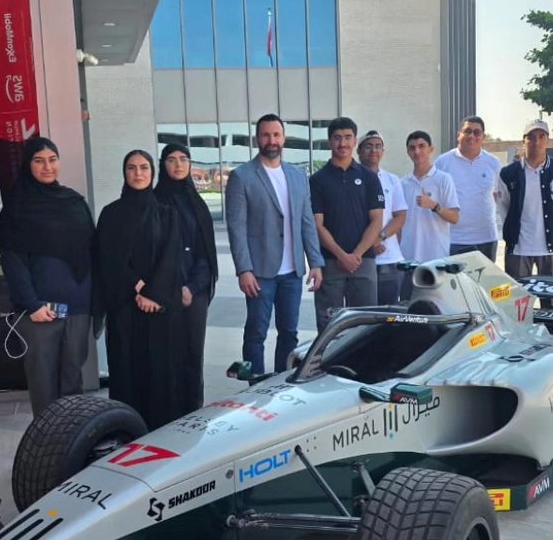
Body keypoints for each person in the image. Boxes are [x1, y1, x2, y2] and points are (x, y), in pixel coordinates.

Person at [0, 136, 97, 417]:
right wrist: (32, 304)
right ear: (28, 165)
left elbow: (92, 251)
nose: (47, 167)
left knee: (72, 379)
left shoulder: (74, 202)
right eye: (38, 161)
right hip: (40, 311)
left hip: (78, 306)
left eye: (52, 160)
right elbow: (13, 262)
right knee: (43, 382)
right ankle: (46, 447)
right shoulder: (16, 210)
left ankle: (72, 441)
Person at [224, 114, 324, 375]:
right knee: (256, 332)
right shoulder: (242, 176)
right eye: (266, 135)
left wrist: (315, 262)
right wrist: (243, 269)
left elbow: (307, 222)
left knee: (289, 332)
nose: (272, 140)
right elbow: (237, 227)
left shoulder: (297, 175)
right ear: (258, 139)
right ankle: (254, 386)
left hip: (291, 273)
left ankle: (281, 383)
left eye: (276, 135)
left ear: (284, 138)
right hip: (259, 273)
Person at [95, 150, 186, 429]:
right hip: (125, 308)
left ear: (152, 172)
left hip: (159, 310)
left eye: (144, 167)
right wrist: (139, 287)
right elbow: (108, 258)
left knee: (160, 372)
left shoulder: (167, 214)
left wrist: (154, 294)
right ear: (124, 173)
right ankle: (127, 431)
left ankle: (162, 434)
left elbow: (172, 258)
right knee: (127, 370)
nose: (138, 173)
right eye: (132, 168)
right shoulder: (111, 214)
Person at [153, 142, 217, 412]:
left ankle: (193, 411)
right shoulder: (153, 201)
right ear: (162, 165)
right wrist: (175, 286)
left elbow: (205, 252)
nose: (178, 165)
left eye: (184, 159)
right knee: (167, 356)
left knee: (193, 354)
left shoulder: (197, 203)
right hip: (164, 292)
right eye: (171, 159)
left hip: (195, 291)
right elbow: (153, 252)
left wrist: (191, 286)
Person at [310, 117, 385, 330]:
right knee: (328, 326)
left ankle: (363, 365)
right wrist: (342, 256)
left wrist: (357, 255)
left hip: (364, 262)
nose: (342, 143)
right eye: (337, 138)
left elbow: (376, 220)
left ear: (354, 141)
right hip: (330, 264)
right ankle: (327, 364)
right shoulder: (317, 181)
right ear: (329, 142)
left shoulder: (369, 178)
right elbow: (317, 225)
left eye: (347, 138)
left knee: (365, 325)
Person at [496, 120, 553, 317]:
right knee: (517, 304)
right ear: (524, 141)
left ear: (547, 140)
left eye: (541, 136)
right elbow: (504, 207)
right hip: (519, 249)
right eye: (531, 137)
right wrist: (513, 233)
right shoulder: (508, 174)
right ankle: (520, 342)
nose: (536, 141)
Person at [399, 131, 461, 295]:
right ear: (408, 152)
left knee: (434, 310)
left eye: (421, 146)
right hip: (408, 260)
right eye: (412, 148)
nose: (417, 151)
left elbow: (454, 217)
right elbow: (398, 222)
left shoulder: (443, 179)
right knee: (408, 311)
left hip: (435, 260)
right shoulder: (403, 183)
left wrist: (434, 206)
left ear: (431, 149)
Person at [434, 115, 502, 261]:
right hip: (453, 240)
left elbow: (498, 197)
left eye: (477, 132)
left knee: (485, 284)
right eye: (467, 131)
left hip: (486, 238)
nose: (472, 136)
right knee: (455, 283)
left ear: (483, 137)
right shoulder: (442, 163)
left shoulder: (493, 163)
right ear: (459, 135)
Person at [357, 130, 408, 304]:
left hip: (390, 259)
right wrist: (369, 245)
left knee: (390, 316)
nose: (374, 151)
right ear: (359, 151)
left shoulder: (392, 180)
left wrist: (379, 238)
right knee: (364, 316)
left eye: (378, 146)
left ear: (383, 151)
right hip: (360, 260)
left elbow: (400, 216)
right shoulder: (351, 178)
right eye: (368, 146)